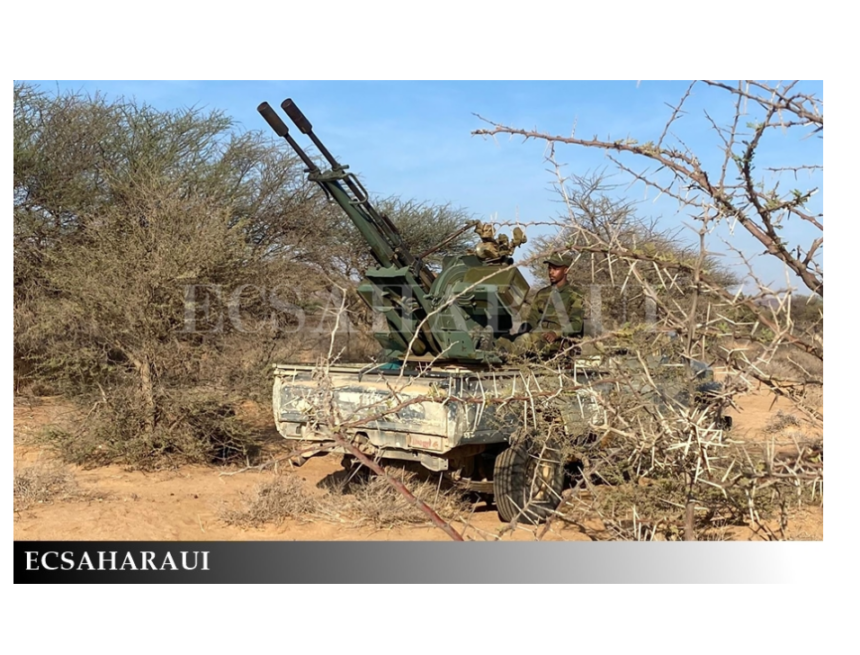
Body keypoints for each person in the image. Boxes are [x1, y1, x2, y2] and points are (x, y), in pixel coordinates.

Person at [497, 253, 584, 356]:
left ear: (565, 270)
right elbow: (532, 319)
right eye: (549, 268)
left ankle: (504, 354)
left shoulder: (574, 295)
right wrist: (522, 330)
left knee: (524, 340)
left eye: (555, 269)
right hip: (537, 337)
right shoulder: (542, 293)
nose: (551, 272)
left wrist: (556, 334)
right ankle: (494, 355)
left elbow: (577, 325)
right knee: (504, 339)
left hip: (558, 342)